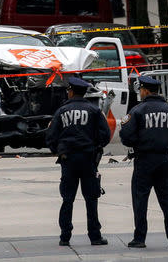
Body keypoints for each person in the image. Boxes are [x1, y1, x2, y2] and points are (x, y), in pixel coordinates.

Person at [119, 76, 168, 248]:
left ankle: (140, 238)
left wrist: (138, 143)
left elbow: (126, 136)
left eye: (140, 90)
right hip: (166, 160)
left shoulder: (138, 110)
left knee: (140, 198)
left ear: (145, 90)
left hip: (144, 160)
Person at [46, 77, 111, 246]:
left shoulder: (62, 111)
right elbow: (105, 135)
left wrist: (58, 151)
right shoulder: (94, 110)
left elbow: (51, 136)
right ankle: (95, 236)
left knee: (67, 199)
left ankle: (64, 236)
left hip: (68, 159)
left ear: (71, 91)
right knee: (91, 199)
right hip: (89, 159)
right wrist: (96, 147)